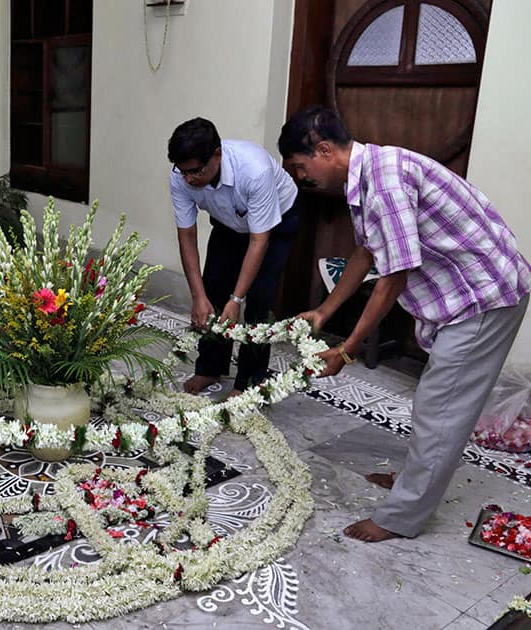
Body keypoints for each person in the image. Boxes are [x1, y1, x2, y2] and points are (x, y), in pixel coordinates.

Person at [278, 105, 530, 542]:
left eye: (301, 167)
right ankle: (417, 478)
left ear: (323, 150)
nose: (302, 178)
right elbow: (367, 253)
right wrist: (324, 312)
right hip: (472, 291)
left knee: (440, 405)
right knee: (437, 401)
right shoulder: (369, 175)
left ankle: (402, 517)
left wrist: (347, 347)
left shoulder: (385, 180)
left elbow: (394, 275)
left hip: (486, 295)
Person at [168, 117, 300, 398]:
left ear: (217, 155)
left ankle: (249, 382)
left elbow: (258, 239)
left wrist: (237, 299)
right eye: (183, 172)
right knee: (213, 288)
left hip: (275, 223)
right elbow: (187, 236)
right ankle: (210, 367)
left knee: (259, 301)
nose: (189, 179)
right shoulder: (181, 176)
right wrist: (197, 295)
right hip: (229, 223)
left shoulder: (254, 170)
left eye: (195, 171)